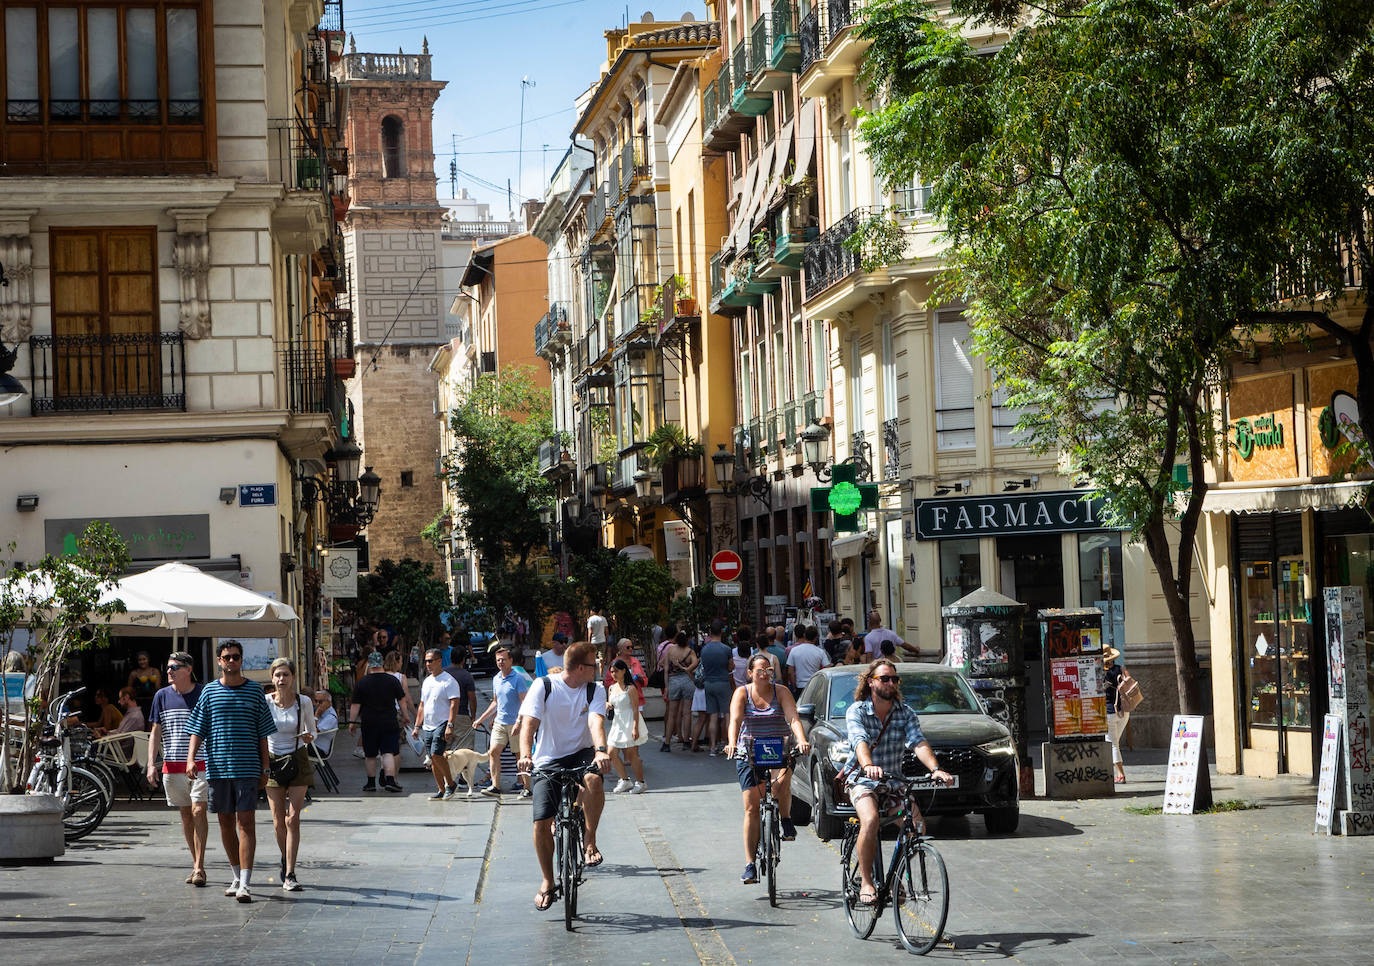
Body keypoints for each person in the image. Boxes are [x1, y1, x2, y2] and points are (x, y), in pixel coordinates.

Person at [843, 659, 953, 906]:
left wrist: (936, 769)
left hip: (893, 782)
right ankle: (867, 881)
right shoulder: (857, 711)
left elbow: (918, 742)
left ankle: (895, 875)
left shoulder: (905, 712)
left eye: (894, 679)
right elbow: (859, 741)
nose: (890, 683)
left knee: (915, 827)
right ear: (871, 682)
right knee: (870, 820)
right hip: (862, 780)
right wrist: (868, 765)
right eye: (884, 678)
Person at [517, 641, 611, 912]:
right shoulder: (544, 685)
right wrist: (526, 755)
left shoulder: (594, 689)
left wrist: (601, 751)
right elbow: (529, 723)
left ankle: (590, 840)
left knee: (593, 779)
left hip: (582, 752)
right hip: (549, 758)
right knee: (541, 822)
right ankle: (547, 880)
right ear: (581, 667)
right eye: (594, 665)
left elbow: (596, 722)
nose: (598, 670)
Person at [185, 640, 277, 903]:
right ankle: (236, 875)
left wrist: (266, 765)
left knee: (245, 822)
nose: (231, 661)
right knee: (225, 822)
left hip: (247, 767)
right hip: (217, 768)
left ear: (242, 660)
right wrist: (191, 759)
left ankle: (246, 882)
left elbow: (262, 733)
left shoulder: (255, 692)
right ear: (219, 661)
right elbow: (197, 728)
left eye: (236, 657)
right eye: (227, 657)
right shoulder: (209, 692)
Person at [724, 654, 812, 884]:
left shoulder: (781, 691)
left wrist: (801, 739)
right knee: (752, 807)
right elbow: (735, 720)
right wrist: (732, 742)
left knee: (781, 783)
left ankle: (784, 818)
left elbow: (793, 718)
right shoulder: (742, 693)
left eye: (769, 669)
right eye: (760, 670)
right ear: (750, 673)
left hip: (777, 747)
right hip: (749, 751)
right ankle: (750, 863)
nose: (765, 673)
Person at [146, 652, 208, 886]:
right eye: (168, 667)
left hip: (201, 762)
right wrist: (151, 764)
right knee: (185, 815)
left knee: (198, 811)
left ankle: (200, 867)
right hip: (172, 765)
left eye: (174, 667)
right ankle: (196, 864)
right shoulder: (161, 696)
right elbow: (155, 731)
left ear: (188, 669)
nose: (169, 671)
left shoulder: (203, 693)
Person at [265, 657, 316, 892]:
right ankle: (284, 857)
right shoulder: (265, 702)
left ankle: (290, 873)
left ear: (293, 677)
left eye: (286, 674)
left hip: (297, 758)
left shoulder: (303, 702)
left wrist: (308, 736)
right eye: (277, 675)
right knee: (278, 821)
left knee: (292, 818)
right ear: (272, 678)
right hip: (273, 760)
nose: (281, 679)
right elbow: (260, 733)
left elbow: (312, 731)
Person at [349, 651, 414, 793]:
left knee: (370, 754)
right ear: (382, 663)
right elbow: (402, 700)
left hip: (369, 722)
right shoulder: (392, 680)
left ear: (370, 665)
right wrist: (405, 716)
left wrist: (352, 722)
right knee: (388, 752)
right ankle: (390, 780)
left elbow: (355, 705)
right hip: (389, 721)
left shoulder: (362, 683)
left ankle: (371, 783)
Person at [474, 646, 531, 797]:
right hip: (500, 722)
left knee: (519, 755)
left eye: (504, 660)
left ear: (510, 661)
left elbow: (524, 702)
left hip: (515, 723)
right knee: (493, 752)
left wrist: (519, 722)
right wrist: (481, 719)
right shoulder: (496, 679)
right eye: (498, 660)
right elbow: (495, 702)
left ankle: (525, 786)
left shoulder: (518, 678)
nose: (501, 662)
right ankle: (495, 785)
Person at [411, 650, 464, 799]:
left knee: (436, 754)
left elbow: (454, 704)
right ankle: (441, 789)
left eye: (431, 661)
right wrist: (417, 726)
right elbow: (422, 705)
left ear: (439, 661)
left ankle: (451, 784)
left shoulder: (449, 681)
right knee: (432, 758)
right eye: (426, 661)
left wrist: (450, 725)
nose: (428, 664)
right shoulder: (427, 681)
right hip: (428, 725)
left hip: (442, 723)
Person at [605, 659, 648, 793]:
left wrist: (635, 727)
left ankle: (640, 782)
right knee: (611, 752)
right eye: (612, 672)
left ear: (624, 671)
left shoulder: (631, 688)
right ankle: (624, 780)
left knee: (631, 754)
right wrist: (608, 705)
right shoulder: (611, 688)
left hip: (629, 720)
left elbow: (635, 709)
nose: (614, 674)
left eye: (616, 671)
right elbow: (611, 702)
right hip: (617, 722)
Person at [698, 619, 735, 756]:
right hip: (723, 682)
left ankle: (712, 746)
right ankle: (728, 744)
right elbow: (731, 667)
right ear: (722, 632)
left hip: (709, 683)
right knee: (727, 715)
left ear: (709, 632)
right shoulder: (726, 649)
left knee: (712, 715)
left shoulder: (704, 650)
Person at [660, 630, 698, 752]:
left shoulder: (670, 650)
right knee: (687, 713)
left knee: (672, 714)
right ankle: (686, 741)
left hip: (673, 681)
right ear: (687, 640)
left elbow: (665, 669)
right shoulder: (690, 651)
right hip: (687, 681)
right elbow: (695, 664)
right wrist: (686, 668)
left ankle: (667, 743)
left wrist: (666, 687)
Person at [442, 646, 479, 755]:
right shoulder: (467, 676)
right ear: (463, 659)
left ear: (450, 657)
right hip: (461, 716)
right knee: (464, 752)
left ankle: (444, 772)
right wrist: (473, 717)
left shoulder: (442, 674)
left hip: (443, 717)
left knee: (443, 752)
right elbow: (472, 699)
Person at [1103, 645, 1130, 783]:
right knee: (1115, 743)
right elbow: (1130, 683)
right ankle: (1114, 772)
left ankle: (1120, 774)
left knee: (1113, 744)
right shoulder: (1121, 669)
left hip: (1109, 713)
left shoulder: (1100, 673)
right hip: (1124, 711)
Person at [785, 624, 831, 694]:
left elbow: (790, 672)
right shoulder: (820, 652)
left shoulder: (794, 650)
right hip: (815, 685)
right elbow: (828, 668)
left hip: (800, 686)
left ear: (804, 635)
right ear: (816, 638)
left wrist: (794, 686)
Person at [602, 638, 647, 708]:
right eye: (628, 647)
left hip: (636, 697)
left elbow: (645, 680)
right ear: (620, 648)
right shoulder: (614, 663)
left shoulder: (636, 662)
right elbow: (607, 682)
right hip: (621, 700)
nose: (630, 649)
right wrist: (620, 681)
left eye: (632, 647)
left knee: (639, 718)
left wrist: (640, 678)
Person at [106, 687, 146, 754]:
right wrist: (106, 733)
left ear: (126, 697)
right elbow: (121, 733)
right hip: (118, 749)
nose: (118, 702)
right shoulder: (131, 714)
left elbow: (121, 738)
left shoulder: (134, 716)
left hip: (121, 753)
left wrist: (102, 737)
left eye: (120, 698)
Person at [127, 650, 162, 716]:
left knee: (151, 722)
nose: (142, 662)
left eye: (144, 659)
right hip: (138, 702)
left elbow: (158, 687)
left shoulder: (154, 671)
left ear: (148, 659)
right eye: (140, 660)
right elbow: (129, 690)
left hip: (152, 701)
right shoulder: (134, 673)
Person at [312, 691, 338, 757]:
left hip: (319, 748)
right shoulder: (320, 712)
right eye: (316, 701)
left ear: (329, 702)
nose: (317, 704)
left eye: (320, 702)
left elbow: (312, 731)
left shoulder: (331, 717)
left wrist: (316, 716)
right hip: (312, 745)